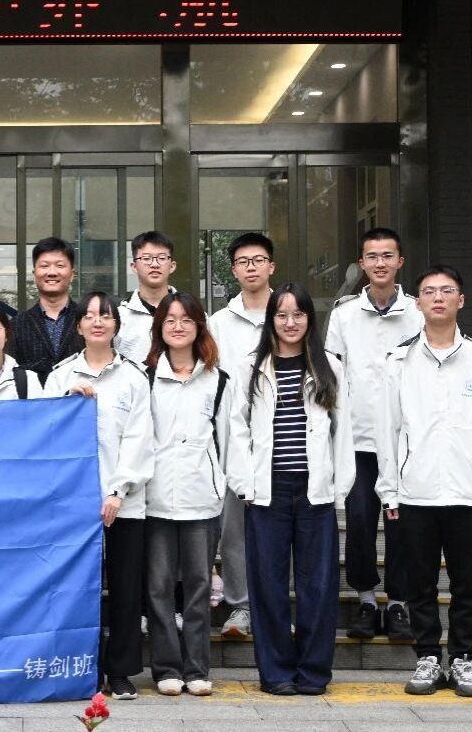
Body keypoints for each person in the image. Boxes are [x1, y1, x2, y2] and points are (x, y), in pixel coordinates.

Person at [378, 265, 472, 699]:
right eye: (429, 291)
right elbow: (388, 430)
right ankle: (428, 657)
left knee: (466, 581)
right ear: (417, 302)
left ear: (461, 300)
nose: (438, 297)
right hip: (415, 491)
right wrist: (389, 490)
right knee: (419, 582)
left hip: (467, 492)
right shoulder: (399, 361)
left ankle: (464, 658)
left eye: (447, 290)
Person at [226, 283, 354, 696]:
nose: (290, 322)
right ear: (271, 320)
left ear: (309, 319)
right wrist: (244, 484)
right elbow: (236, 429)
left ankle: (314, 672)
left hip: (315, 491)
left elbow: (343, 432)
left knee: (318, 587)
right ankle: (276, 672)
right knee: (268, 586)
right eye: (281, 315)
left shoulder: (329, 366)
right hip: (268, 492)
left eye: (298, 314)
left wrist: (339, 487)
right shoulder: (251, 366)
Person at [43, 292, 152, 701]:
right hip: (74, 503)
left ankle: (120, 671)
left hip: (124, 502)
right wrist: (66, 403)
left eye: (105, 316)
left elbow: (140, 439)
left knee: (125, 588)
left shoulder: (133, 378)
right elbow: (44, 435)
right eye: (89, 316)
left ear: (116, 325)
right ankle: (81, 668)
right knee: (76, 589)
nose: (98, 322)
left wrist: (118, 490)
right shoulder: (60, 377)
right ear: (79, 326)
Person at [325, 228, 422, 642]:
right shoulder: (344, 315)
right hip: (359, 440)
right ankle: (366, 600)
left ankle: (398, 603)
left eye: (387, 255)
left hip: (404, 442)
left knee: (403, 525)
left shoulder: (419, 311)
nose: (380, 263)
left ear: (400, 261)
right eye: (372, 256)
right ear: (361, 263)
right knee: (361, 521)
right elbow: (331, 375)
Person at [142, 292, 230, 698]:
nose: (178, 327)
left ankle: (197, 669)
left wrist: (221, 483)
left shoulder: (218, 380)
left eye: (186, 320)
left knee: (198, 587)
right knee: (159, 588)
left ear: (199, 327)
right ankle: (165, 668)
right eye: (170, 320)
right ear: (159, 328)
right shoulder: (145, 378)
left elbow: (227, 440)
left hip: (201, 497)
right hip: (156, 496)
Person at [207, 232, 276, 638]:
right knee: (233, 529)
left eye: (258, 260)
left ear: (272, 266)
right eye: (243, 262)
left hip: (281, 437)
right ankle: (240, 606)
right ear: (233, 270)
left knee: (278, 527)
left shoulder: (288, 314)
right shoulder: (218, 323)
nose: (251, 267)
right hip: (231, 438)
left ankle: (274, 605)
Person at [12, 237, 83, 385]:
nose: (52, 272)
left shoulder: (87, 320)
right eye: (44, 266)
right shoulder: (16, 325)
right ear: (34, 274)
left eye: (60, 265)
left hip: (79, 398)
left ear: (72, 274)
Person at [116, 231, 179, 365]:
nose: (154, 264)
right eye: (146, 258)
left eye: (162, 258)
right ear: (134, 267)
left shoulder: (192, 314)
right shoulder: (119, 316)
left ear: (172, 266)